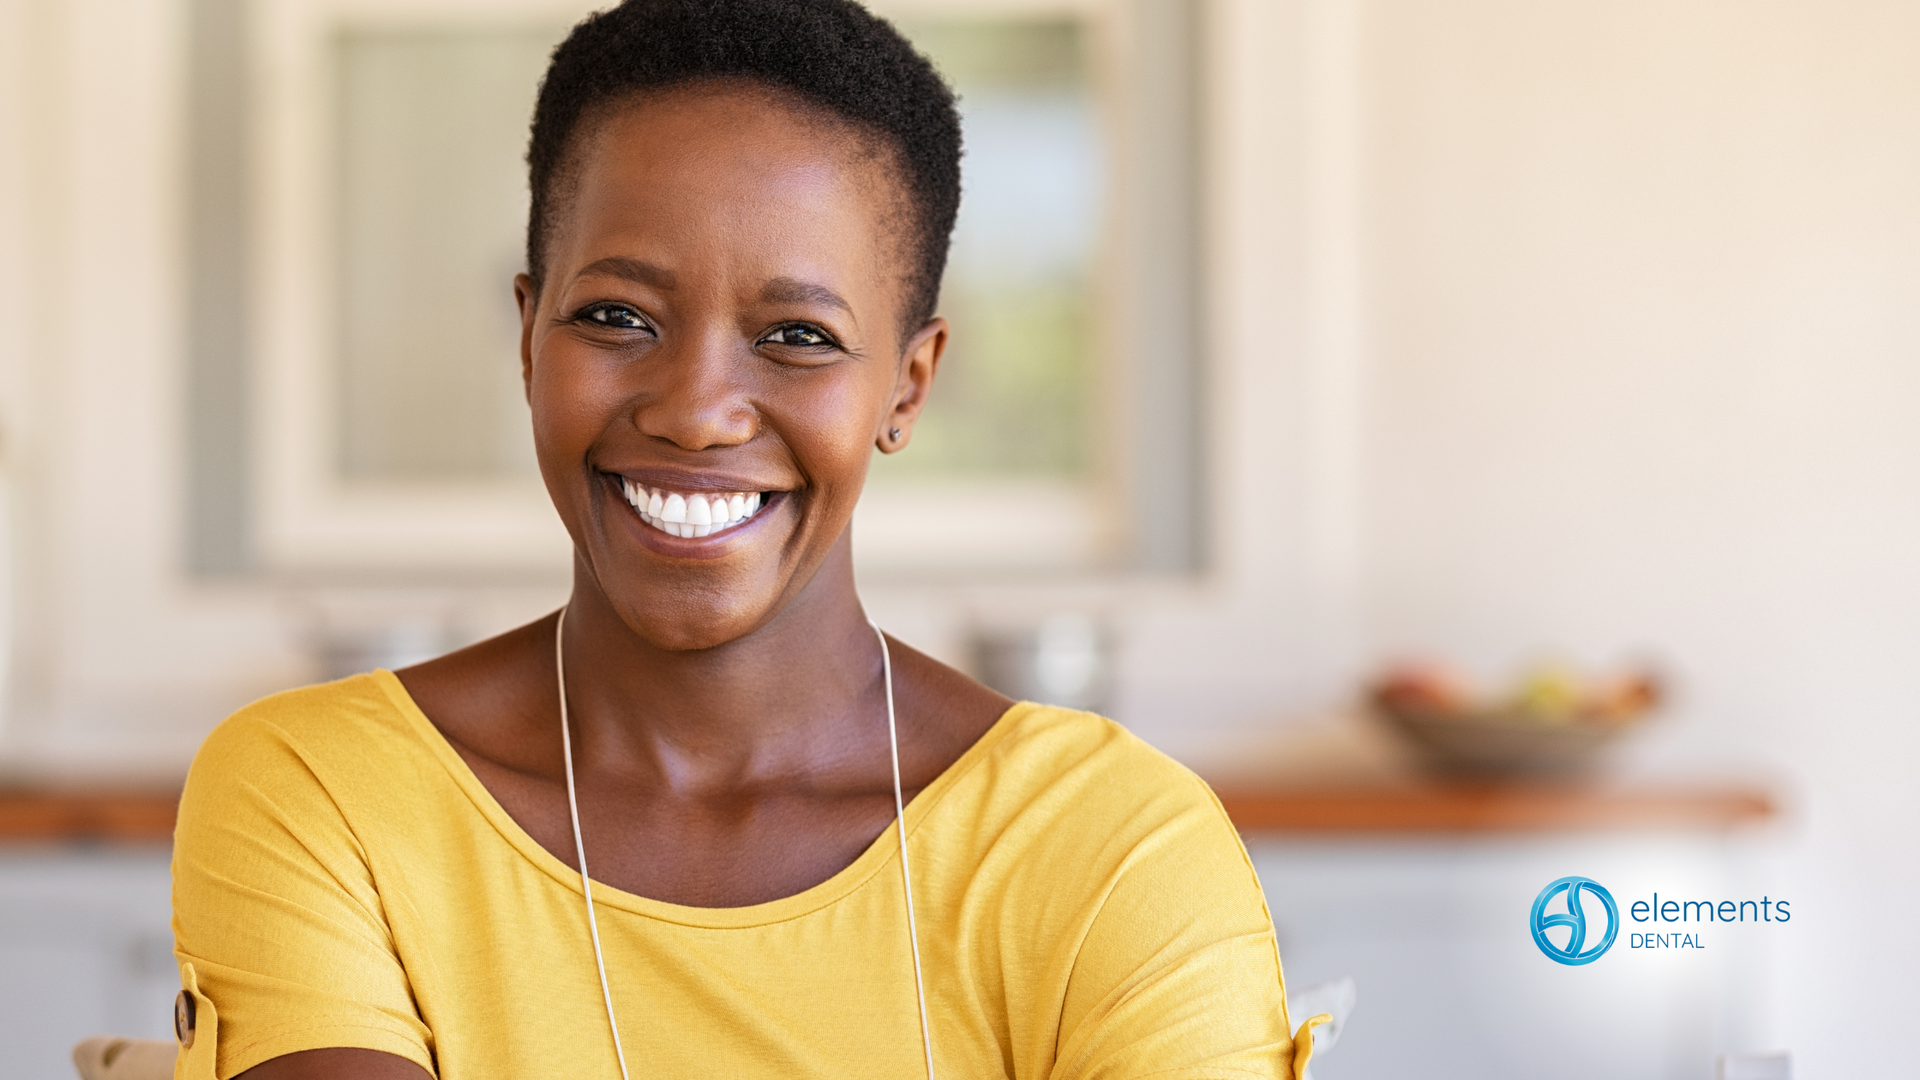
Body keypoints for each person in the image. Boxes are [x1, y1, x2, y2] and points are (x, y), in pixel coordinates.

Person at [170, 1, 1319, 1076]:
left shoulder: (1113, 847)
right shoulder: (324, 794)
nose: (696, 408)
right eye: (615, 317)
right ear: (529, 337)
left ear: (908, 387)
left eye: (798, 335)